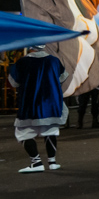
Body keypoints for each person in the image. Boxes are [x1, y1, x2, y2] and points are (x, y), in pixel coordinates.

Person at [9, 44, 68, 173]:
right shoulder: (54, 60)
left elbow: (14, 82)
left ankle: (36, 162)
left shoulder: (22, 62)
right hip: (51, 101)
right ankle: (52, 162)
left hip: (30, 102)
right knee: (50, 130)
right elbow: (62, 77)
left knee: (24, 132)